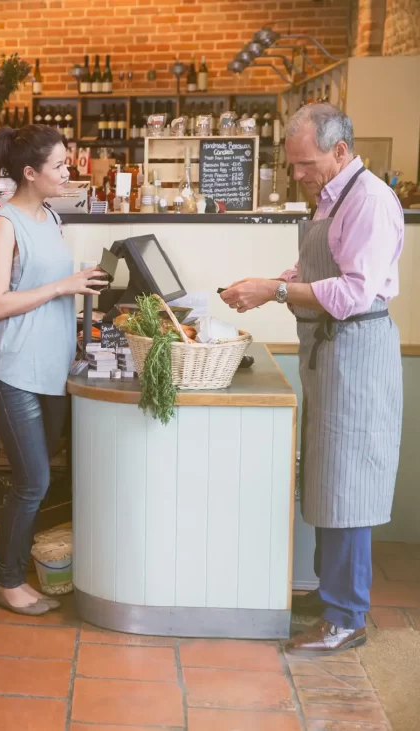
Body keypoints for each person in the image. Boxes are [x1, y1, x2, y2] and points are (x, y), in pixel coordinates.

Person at [221, 103, 403, 655]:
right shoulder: (334, 197)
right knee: (328, 477)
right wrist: (276, 281)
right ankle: (331, 596)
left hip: (357, 355)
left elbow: (352, 294)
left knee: (350, 486)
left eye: (305, 163)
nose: (297, 174)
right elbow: (317, 268)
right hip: (331, 354)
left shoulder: (371, 200)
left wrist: (273, 292)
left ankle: (347, 617)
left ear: (340, 151)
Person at [0, 125, 106, 616]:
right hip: (15, 372)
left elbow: (51, 284)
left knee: (40, 479)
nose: (67, 172)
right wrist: (63, 287)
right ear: (29, 173)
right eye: (58, 165)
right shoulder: (3, 225)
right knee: (31, 481)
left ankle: (17, 573)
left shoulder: (52, 216)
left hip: (53, 369)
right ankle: (6, 581)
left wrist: (82, 287)